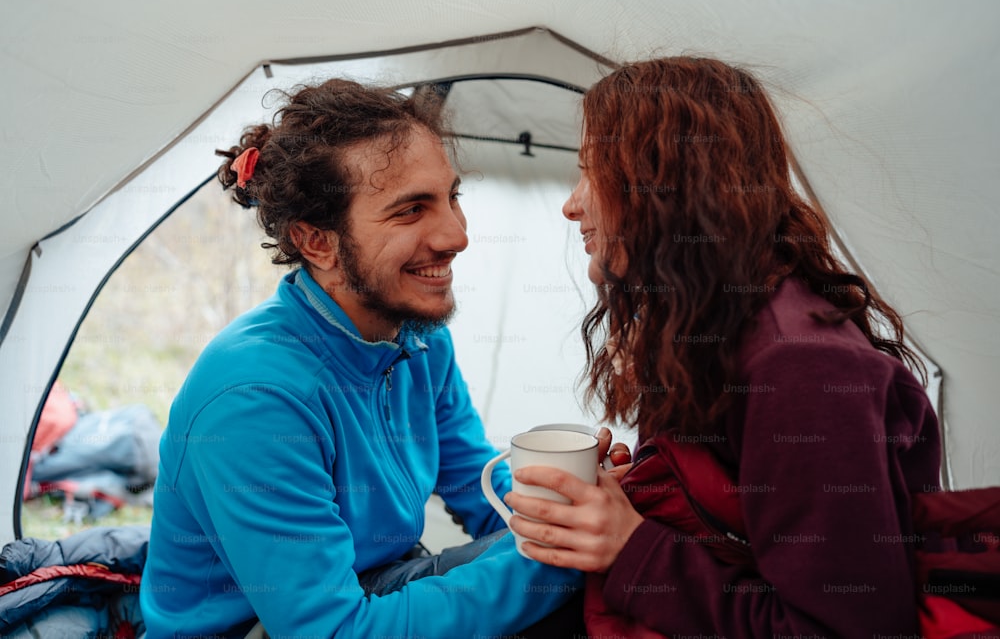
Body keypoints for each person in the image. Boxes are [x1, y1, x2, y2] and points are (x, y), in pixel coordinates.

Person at [504, 57, 942, 637]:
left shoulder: (801, 369)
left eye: (591, 172)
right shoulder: (713, 325)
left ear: (666, 185)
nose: (572, 204)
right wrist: (648, 491)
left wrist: (632, 546)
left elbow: (847, 628)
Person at [139, 78, 586, 639]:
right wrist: (561, 562)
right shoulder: (255, 399)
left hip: (371, 586)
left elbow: (478, 485)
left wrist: (575, 510)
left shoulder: (416, 337)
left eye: (452, 197)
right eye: (410, 211)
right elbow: (330, 630)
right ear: (316, 242)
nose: (456, 235)